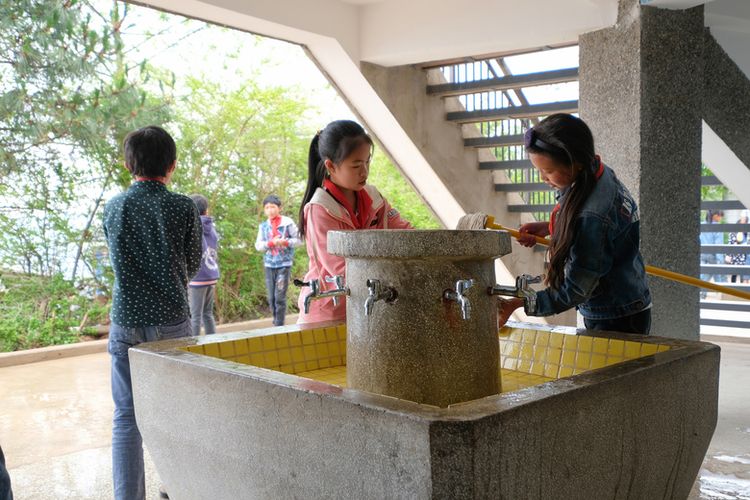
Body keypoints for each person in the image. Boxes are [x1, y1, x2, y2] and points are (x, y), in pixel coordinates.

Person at [103, 125, 202, 500]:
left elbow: (117, 259)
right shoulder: (182, 206)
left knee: (126, 417)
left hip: (125, 321)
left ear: (129, 164)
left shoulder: (114, 207)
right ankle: (179, 488)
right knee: (177, 412)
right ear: (172, 165)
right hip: (172, 321)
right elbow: (192, 265)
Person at [497, 113, 652, 335]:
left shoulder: (593, 216)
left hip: (616, 317)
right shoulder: (597, 172)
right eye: (539, 170)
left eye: (548, 171)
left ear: (575, 163)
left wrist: (521, 303)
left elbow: (576, 289)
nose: (543, 178)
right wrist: (550, 227)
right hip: (627, 296)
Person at [296, 120, 412, 324]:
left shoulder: (374, 197)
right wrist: (394, 272)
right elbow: (339, 270)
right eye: (356, 165)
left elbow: (405, 234)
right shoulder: (319, 209)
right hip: (329, 315)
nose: (364, 172)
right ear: (330, 166)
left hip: (367, 308)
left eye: (367, 162)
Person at [255, 194, 301, 326]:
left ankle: (279, 325)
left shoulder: (287, 223)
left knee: (280, 297)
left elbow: (299, 240)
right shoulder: (263, 226)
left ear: (279, 208)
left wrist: (285, 242)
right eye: (267, 207)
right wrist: (270, 243)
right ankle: (275, 322)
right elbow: (258, 245)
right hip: (269, 265)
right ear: (264, 210)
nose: (270, 210)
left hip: (284, 265)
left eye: (273, 207)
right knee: (271, 297)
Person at [188, 194, 220, 335]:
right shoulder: (211, 227)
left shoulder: (193, 226)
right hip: (211, 275)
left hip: (197, 277)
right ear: (206, 210)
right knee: (208, 313)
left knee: (195, 316)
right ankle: (212, 343)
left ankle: (193, 347)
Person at [700, 209, 725, 286]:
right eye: (720, 216)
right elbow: (718, 245)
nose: (721, 219)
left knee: (706, 273)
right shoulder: (717, 227)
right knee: (709, 274)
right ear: (715, 216)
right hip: (712, 256)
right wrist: (721, 261)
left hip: (702, 254)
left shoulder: (702, 225)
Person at [729, 212, 749, 284]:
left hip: (741, 255)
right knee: (736, 273)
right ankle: (734, 286)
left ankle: (738, 286)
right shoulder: (734, 233)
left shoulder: (745, 233)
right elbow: (731, 243)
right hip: (737, 255)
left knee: (740, 273)